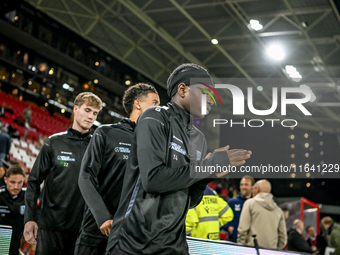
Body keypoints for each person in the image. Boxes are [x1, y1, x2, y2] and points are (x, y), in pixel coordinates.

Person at [105, 63, 252, 255]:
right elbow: (153, 179)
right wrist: (208, 165)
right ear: (183, 89)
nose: (211, 101)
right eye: (205, 93)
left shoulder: (198, 138)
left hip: (174, 246)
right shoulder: (154, 117)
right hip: (134, 242)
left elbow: (189, 200)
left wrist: (209, 174)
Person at [75, 83, 159, 255]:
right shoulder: (106, 132)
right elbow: (85, 176)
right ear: (138, 104)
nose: (159, 108)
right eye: (155, 102)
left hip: (131, 237)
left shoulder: (155, 144)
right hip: (97, 231)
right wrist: (103, 216)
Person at [23, 92, 102, 255]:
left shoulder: (98, 147)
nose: (91, 116)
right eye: (87, 110)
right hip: (49, 228)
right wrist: (30, 217)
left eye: (95, 113)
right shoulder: (53, 142)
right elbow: (33, 181)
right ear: (75, 109)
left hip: (81, 232)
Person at [237, 179, 286, 250]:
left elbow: (243, 229)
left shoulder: (250, 203)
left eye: (253, 189)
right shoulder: (278, 210)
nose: (252, 191)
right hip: (271, 251)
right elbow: (283, 236)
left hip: (252, 250)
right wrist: (276, 250)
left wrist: (241, 247)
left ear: (257, 189)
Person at [0, 165, 26, 255]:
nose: (16, 186)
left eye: (20, 182)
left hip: (15, 247)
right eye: (12, 182)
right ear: (5, 180)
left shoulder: (27, 198)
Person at [222, 175, 254, 242]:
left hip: (250, 241)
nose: (243, 187)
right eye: (241, 185)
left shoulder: (255, 203)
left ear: (252, 187)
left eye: (246, 185)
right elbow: (222, 217)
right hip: (234, 240)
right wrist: (228, 227)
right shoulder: (232, 202)